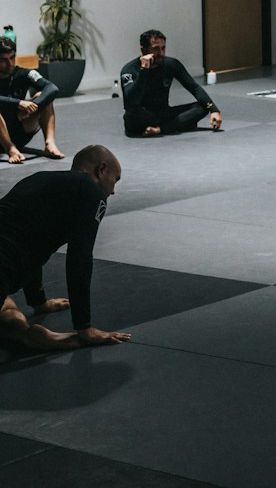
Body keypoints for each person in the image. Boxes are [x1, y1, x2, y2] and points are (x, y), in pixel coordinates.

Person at [0, 144, 131, 353]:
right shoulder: (92, 192)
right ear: (101, 170)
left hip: (7, 269)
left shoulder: (39, 179)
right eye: (115, 180)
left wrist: (39, 303)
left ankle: (24, 333)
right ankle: (24, 334)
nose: (113, 191)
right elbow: (80, 258)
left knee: (7, 306)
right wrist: (84, 328)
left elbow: (30, 245)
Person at [120, 29, 222, 138]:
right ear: (143, 49)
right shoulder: (129, 70)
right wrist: (144, 70)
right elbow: (132, 100)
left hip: (162, 114)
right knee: (133, 113)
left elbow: (194, 87)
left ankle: (159, 129)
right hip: (141, 117)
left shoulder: (171, 64)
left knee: (202, 107)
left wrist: (214, 110)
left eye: (163, 48)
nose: (161, 53)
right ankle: (175, 126)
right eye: (156, 49)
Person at [0, 37, 64, 163]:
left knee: (43, 95)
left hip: (20, 132)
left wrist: (33, 105)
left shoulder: (23, 73)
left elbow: (52, 88)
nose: (10, 63)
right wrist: (19, 103)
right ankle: (10, 148)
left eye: (12, 58)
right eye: (3, 60)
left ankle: (50, 144)